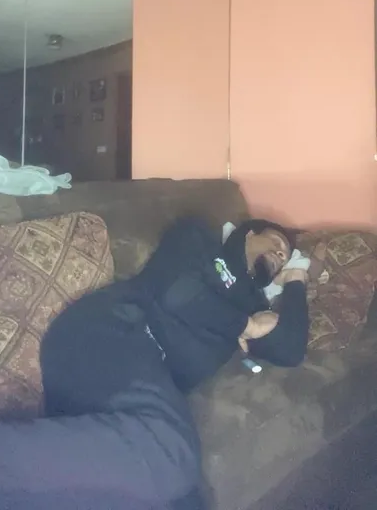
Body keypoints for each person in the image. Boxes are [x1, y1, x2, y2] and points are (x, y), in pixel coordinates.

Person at [36, 216, 311, 509]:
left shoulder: (255, 304)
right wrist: (246, 326)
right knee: (171, 457)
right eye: (276, 242)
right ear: (249, 234)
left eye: (285, 257)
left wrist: (296, 280)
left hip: (146, 374)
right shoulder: (198, 239)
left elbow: (290, 351)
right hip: (112, 329)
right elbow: (177, 294)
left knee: (150, 472)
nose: (280, 254)